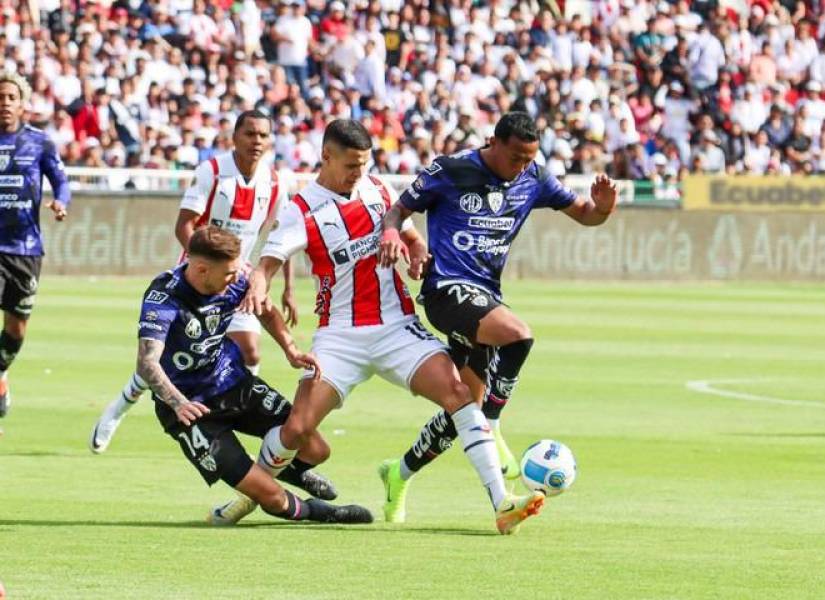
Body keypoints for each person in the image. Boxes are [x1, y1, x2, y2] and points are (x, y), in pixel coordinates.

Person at [217, 119, 545, 535]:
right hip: (340, 336)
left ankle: (501, 502)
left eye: (364, 164)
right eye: (351, 165)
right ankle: (248, 496)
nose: (359, 173)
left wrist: (415, 255)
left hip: (397, 327)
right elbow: (266, 266)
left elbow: (413, 240)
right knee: (298, 428)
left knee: (460, 395)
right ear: (326, 156)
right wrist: (256, 289)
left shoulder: (379, 190)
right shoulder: (301, 209)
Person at [376, 111, 617, 523]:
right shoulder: (451, 170)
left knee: (462, 409)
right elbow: (398, 209)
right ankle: (494, 421)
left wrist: (604, 209)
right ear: (493, 142)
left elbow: (585, 213)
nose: (520, 166)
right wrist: (393, 232)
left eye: (528, 159)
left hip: (485, 298)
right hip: (446, 291)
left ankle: (399, 475)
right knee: (519, 336)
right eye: (515, 157)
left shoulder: (534, 178)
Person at [89, 110, 300, 454]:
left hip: (237, 280)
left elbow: (282, 238)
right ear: (235, 136)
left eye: (263, 135)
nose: (256, 141)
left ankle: (229, 412)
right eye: (250, 134)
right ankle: (118, 408)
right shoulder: (213, 172)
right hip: (197, 281)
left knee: (250, 349)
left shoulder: (275, 183)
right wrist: (204, 264)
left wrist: (288, 287)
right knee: (172, 357)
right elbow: (183, 225)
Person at [136, 226, 371, 525]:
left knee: (316, 448)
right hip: (190, 411)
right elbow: (147, 362)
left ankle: (268, 477)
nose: (237, 278)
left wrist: (290, 349)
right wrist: (178, 403)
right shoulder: (164, 297)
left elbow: (265, 310)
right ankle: (322, 513)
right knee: (272, 497)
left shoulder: (236, 276)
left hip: (233, 382)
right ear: (201, 269)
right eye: (229, 274)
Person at [0, 72, 70, 418]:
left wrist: (61, 201)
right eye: (1, 97)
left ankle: (1, 372)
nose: (5, 103)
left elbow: (60, 180)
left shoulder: (39, 142)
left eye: (11, 97)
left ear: (22, 103)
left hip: (25, 248)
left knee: (16, 328)